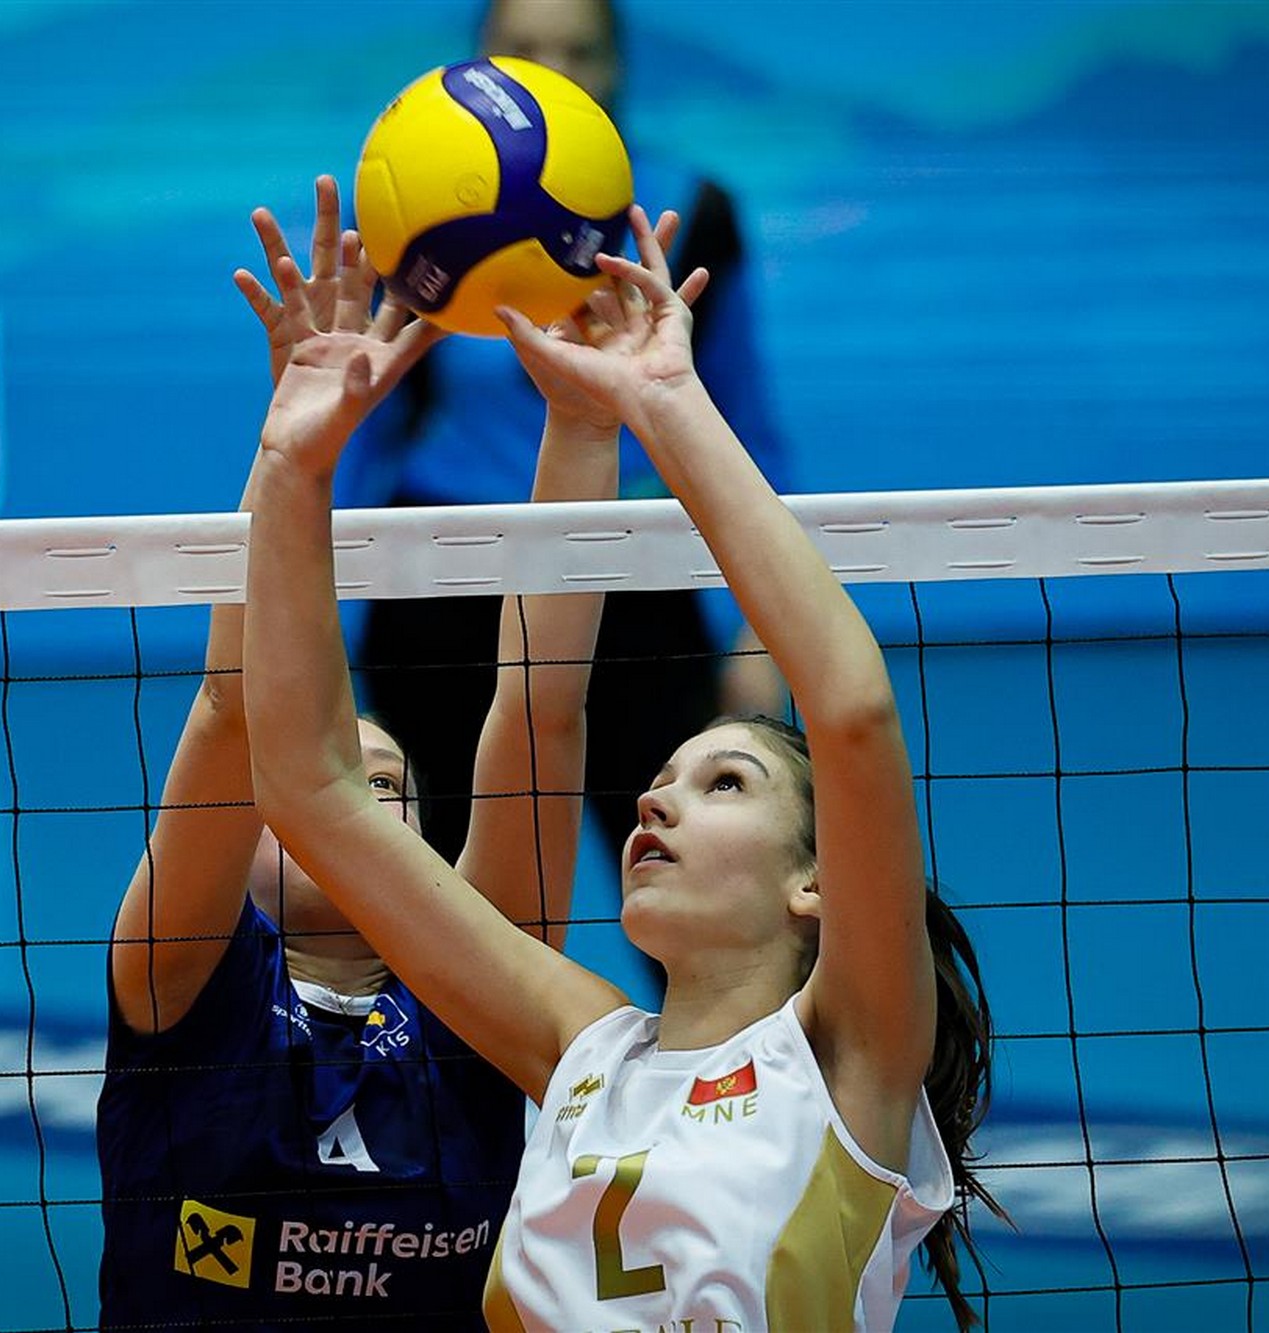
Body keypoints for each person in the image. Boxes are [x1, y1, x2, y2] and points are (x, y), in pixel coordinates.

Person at [242, 198, 999, 1328]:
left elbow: (848, 710)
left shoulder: (847, 1058)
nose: (655, 796)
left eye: (724, 781)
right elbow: (310, 785)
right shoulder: (577, 1048)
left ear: (818, 881)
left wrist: (665, 402)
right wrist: (295, 467)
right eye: (670, 775)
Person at [95, 176, 643, 1327]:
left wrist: (585, 423)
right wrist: (291, 450)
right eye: (303, 785)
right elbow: (236, 711)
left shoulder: (484, 995)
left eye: (379, 786)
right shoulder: (179, 979)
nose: (333, 797)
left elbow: (539, 706)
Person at [348, 0, 792, 872]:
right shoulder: (416, 209)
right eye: (524, 49)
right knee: (440, 898)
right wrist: (330, 607)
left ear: (618, 65)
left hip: (634, 575)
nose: (552, 71)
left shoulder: (690, 210)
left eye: (578, 50)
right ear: (480, 64)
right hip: (442, 579)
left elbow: (747, 426)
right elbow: (364, 426)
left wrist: (760, 628)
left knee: (695, 877)